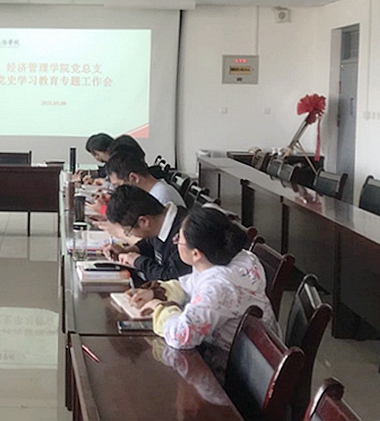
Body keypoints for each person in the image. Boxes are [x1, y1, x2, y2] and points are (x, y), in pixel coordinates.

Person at [130, 206, 280, 382]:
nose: (176, 242)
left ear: (196, 254)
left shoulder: (218, 286)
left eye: (179, 240)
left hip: (236, 375)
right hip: (256, 360)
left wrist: (160, 309)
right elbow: (192, 283)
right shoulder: (240, 257)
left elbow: (181, 336)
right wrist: (158, 292)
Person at [102, 185, 190, 281]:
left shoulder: (185, 235)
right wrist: (129, 250)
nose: (130, 235)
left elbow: (171, 278)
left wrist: (137, 261)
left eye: (128, 231)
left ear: (143, 221)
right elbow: (149, 244)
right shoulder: (159, 223)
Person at [105, 151, 186, 208]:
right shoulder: (149, 193)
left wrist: (103, 208)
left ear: (134, 178)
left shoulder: (159, 198)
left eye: (118, 185)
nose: (118, 190)